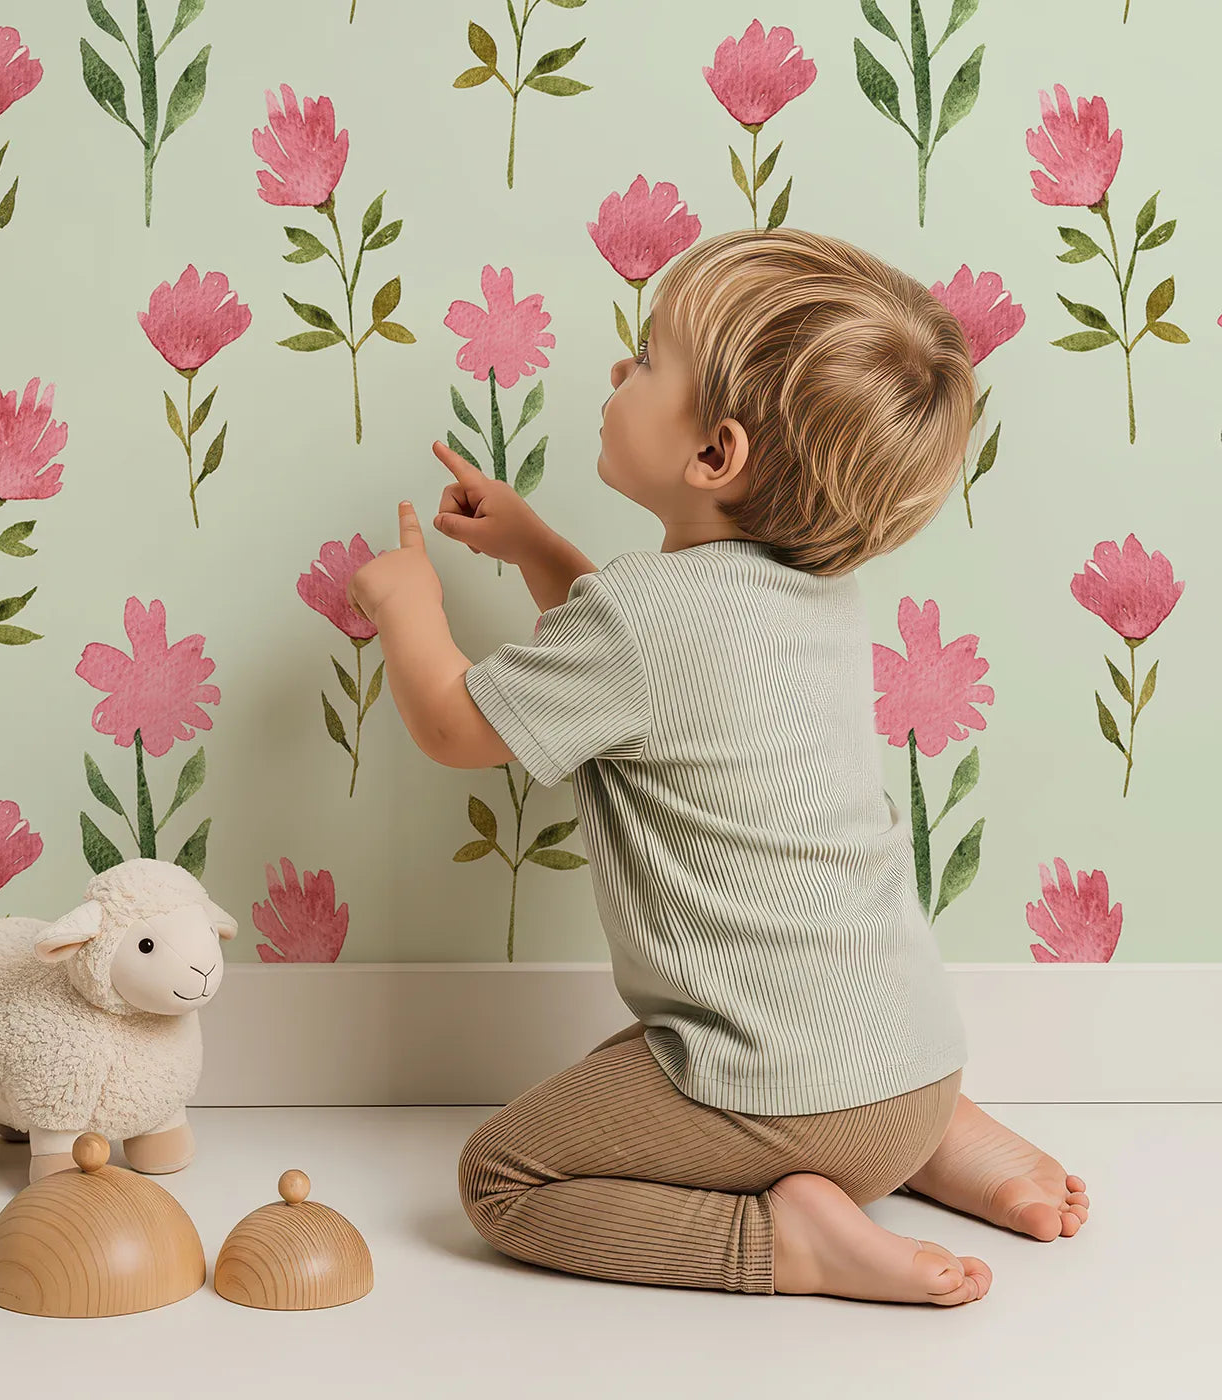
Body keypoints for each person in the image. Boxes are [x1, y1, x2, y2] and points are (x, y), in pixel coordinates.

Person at [344, 227, 1090, 1306]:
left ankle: (792, 1242)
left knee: (500, 1173)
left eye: (645, 359)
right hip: (914, 1060)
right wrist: (534, 547)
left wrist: (409, 607)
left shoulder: (645, 619)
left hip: (785, 1089)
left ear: (713, 456)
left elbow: (458, 726)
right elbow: (647, 671)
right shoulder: (816, 601)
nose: (615, 371)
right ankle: (928, 1145)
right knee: (754, 1066)